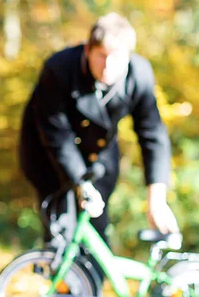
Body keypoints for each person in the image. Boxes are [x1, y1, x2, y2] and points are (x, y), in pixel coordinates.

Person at [19, 12, 179, 247]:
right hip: (49, 156)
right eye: (101, 56)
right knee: (62, 233)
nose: (108, 66)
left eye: (116, 57)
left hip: (99, 156)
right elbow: (56, 135)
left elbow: (152, 135)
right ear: (88, 51)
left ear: (128, 56)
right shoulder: (59, 69)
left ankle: (92, 280)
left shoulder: (140, 75)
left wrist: (156, 197)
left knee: (96, 233)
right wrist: (80, 183)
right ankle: (63, 279)